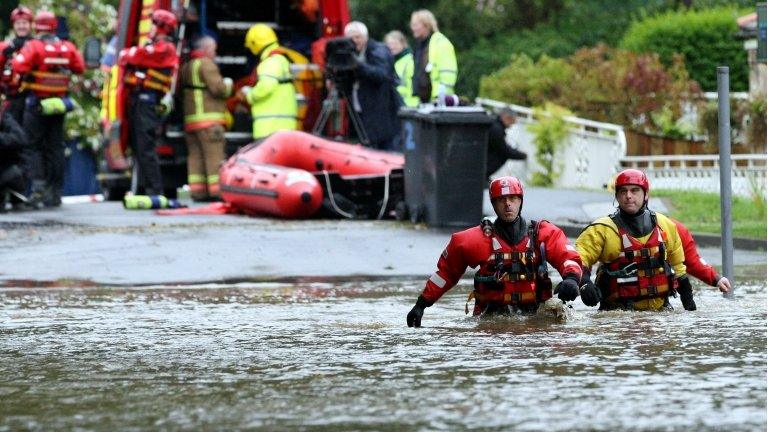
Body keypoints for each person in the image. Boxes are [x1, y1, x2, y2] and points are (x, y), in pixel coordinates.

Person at [406, 176, 583, 327]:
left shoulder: (543, 234)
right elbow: (445, 274)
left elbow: (568, 257)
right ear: (493, 204)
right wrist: (422, 304)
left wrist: (572, 279)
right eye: (501, 200)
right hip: (490, 318)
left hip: (536, 314)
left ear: (520, 201)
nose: (508, 205)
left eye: (513, 198)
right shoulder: (472, 240)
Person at [575, 168, 696, 312]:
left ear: (646, 194)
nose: (628, 196)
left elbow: (679, 269)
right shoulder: (600, 230)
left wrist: (689, 303)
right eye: (623, 191)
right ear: (617, 196)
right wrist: (584, 283)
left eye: (634, 190)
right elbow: (578, 259)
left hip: (661, 314)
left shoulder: (665, 225)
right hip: (616, 315)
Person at [12, 10, 84, 208]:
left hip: (37, 105)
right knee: (55, 147)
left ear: (36, 26)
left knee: (32, 146)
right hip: (59, 105)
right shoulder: (66, 47)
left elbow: (18, 67)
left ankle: (38, 189)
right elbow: (80, 67)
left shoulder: (34, 46)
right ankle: (56, 192)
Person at [118, 9, 179, 197]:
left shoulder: (164, 48)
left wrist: (130, 53)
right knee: (139, 146)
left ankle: (155, 190)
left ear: (162, 27)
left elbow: (134, 56)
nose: (150, 28)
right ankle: (145, 188)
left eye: (153, 24)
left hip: (148, 102)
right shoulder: (154, 46)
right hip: (140, 100)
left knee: (146, 147)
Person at [180, 36, 232, 201]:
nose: (214, 53)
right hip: (210, 122)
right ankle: (217, 192)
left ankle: (198, 192)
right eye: (213, 50)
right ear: (205, 49)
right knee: (214, 156)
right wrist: (229, 84)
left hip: (191, 121)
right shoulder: (207, 65)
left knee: (195, 157)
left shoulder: (186, 67)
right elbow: (219, 89)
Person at [343, 21, 402, 151]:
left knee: (387, 151)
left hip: (383, 115)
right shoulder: (351, 54)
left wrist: (358, 65)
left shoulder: (378, 50)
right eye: (350, 38)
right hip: (363, 114)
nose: (354, 41)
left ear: (365, 37)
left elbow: (382, 75)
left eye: (357, 37)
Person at [241, 23, 297, 141]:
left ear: (254, 44)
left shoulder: (270, 62)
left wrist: (249, 95)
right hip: (281, 126)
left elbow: (265, 87)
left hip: (269, 127)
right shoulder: (280, 59)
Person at [409, 9, 457, 104]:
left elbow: (448, 74)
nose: (412, 28)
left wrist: (441, 98)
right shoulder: (420, 46)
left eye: (415, 25)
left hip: (438, 101)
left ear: (426, 25)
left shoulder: (441, 43)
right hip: (423, 101)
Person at [672, 218, 732, 293]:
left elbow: (692, 261)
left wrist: (716, 278)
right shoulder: (674, 227)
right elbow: (692, 261)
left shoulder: (674, 228)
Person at [0, 6, 34, 124]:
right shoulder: (6, 47)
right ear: (13, 25)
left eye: (24, 23)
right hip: (12, 96)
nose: (21, 26)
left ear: (30, 25)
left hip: (31, 97)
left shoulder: (36, 45)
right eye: (18, 23)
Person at [0, 101, 29, 210]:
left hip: (12, 168)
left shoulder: (6, 119)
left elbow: (21, 139)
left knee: (12, 175)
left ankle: (11, 193)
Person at [486, 108, 527, 180]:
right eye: (512, 121)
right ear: (507, 118)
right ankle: (484, 176)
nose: (512, 125)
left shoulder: (494, 125)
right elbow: (503, 150)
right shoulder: (496, 129)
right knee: (502, 156)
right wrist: (522, 155)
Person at [384, 30, 418, 108]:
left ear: (403, 44)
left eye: (395, 44)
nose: (391, 47)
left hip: (408, 105)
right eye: (389, 44)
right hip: (396, 105)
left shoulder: (409, 60)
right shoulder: (390, 61)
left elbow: (412, 84)